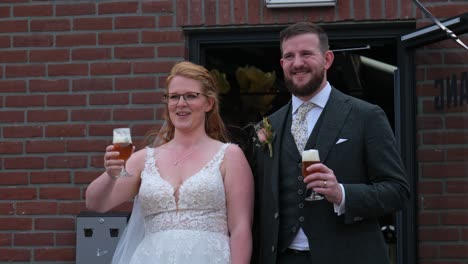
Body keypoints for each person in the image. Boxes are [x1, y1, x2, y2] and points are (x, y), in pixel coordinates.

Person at [250, 22, 410, 264]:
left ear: (327, 59)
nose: (297, 63)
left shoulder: (366, 116)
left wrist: (343, 194)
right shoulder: (267, 125)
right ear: (282, 64)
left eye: (306, 54)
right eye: (289, 56)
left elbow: (398, 191)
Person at [86, 61, 254, 264]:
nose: (181, 103)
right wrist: (110, 175)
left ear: (208, 103)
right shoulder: (143, 159)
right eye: (174, 97)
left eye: (191, 96)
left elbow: (241, 229)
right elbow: (96, 204)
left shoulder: (229, 155)